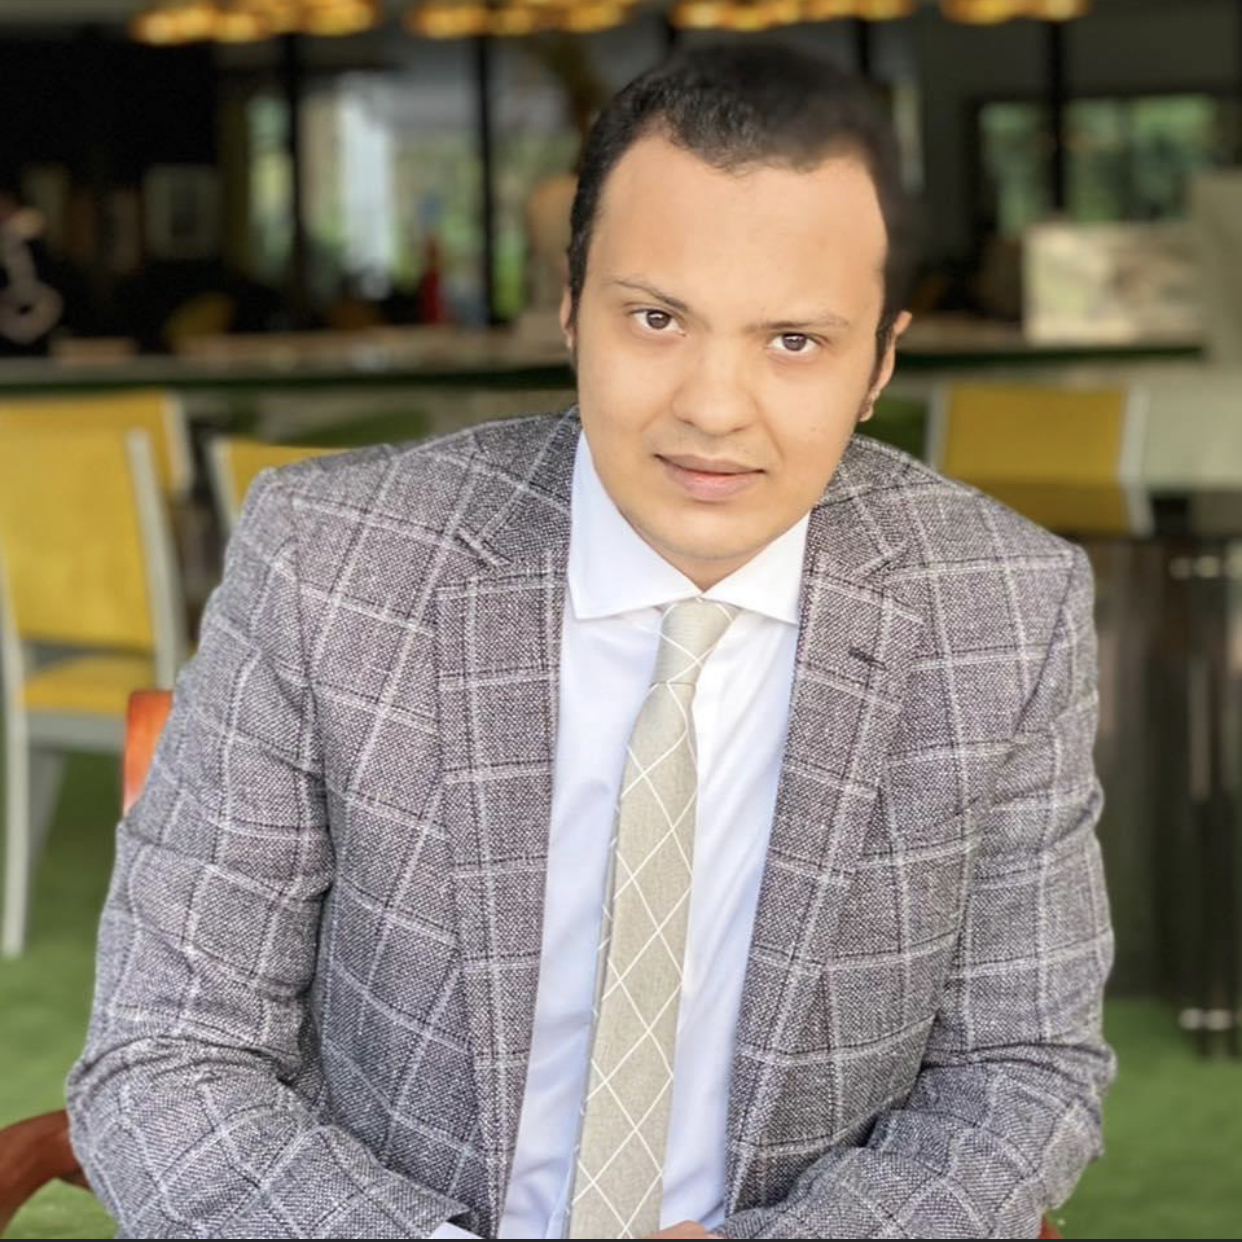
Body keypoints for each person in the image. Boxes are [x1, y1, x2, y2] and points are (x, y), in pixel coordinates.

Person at [66, 44, 1115, 1240]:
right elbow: (166, 1052)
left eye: (794, 341)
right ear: (571, 310)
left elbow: (1020, 1069)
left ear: (880, 361)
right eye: (657, 318)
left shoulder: (1004, 610)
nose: (713, 408)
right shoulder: (331, 564)